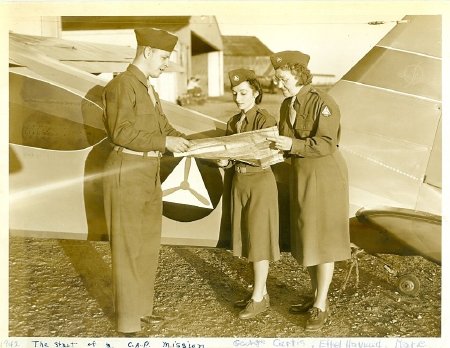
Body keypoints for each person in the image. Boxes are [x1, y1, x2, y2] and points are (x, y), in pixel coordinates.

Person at [102, 27, 190, 334]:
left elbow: (164, 127)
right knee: (128, 247)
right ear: (148, 51)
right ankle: (128, 321)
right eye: (164, 57)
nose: (166, 64)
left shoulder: (148, 88)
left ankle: (141, 310)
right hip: (126, 169)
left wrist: (195, 144)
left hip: (148, 171)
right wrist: (165, 143)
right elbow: (121, 132)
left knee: (147, 245)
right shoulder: (122, 85)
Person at [267, 51, 351, 331]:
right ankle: (316, 295)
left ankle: (321, 304)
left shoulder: (322, 102)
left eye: (283, 78)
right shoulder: (286, 105)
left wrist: (291, 146)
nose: (279, 84)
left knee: (322, 240)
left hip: (324, 175)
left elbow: (326, 143)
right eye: (277, 79)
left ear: (299, 75)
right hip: (301, 175)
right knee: (307, 237)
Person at [218, 69, 280, 320]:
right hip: (239, 182)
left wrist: (233, 153)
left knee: (259, 239)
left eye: (243, 93)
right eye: (235, 93)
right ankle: (260, 291)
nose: (238, 98)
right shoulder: (233, 122)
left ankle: (258, 299)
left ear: (256, 92)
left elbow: (267, 153)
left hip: (259, 182)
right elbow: (230, 156)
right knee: (246, 238)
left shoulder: (265, 119)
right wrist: (222, 162)